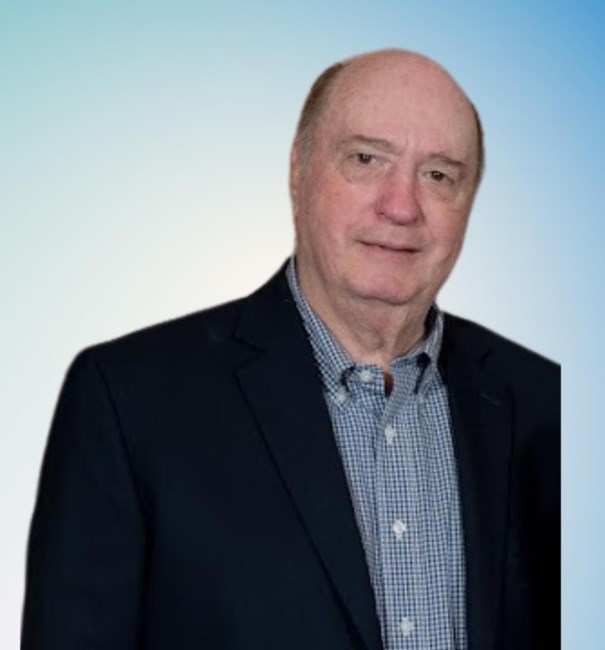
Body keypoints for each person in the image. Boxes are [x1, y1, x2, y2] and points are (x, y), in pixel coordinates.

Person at [21, 49, 560, 650]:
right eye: (366, 159)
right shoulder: (129, 401)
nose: (401, 206)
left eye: (439, 175)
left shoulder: (550, 403)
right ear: (298, 171)